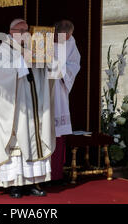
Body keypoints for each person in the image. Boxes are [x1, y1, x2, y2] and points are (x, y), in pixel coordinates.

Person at [0, 18, 55, 198]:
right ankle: (14, 185)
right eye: (20, 30)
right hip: (15, 107)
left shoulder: (34, 49)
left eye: (26, 30)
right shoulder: (2, 51)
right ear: (11, 32)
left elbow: (48, 70)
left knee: (34, 139)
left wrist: (44, 59)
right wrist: (22, 62)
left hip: (34, 104)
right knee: (19, 141)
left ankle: (33, 182)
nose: (24, 34)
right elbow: (0, 76)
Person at [49, 20, 81, 184]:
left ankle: (56, 173)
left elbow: (75, 63)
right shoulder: (43, 39)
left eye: (68, 37)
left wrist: (62, 73)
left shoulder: (70, 42)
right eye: (63, 37)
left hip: (60, 90)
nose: (66, 40)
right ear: (54, 32)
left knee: (58, 132)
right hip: (43, 89)